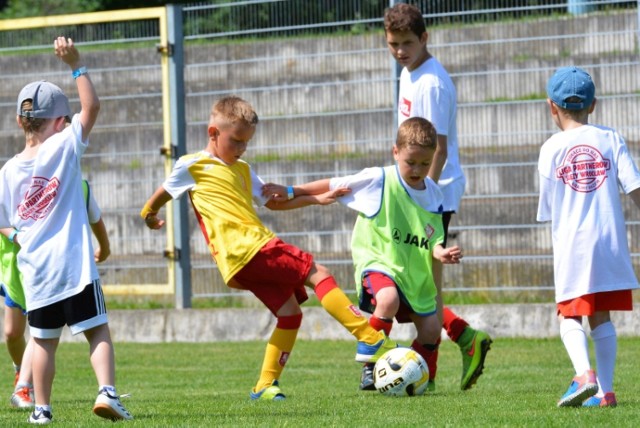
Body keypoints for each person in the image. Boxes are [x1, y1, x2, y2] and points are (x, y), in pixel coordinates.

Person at [141, 95, 397, 401]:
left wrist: (318, 198)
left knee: (290, 314)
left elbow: (274, 203)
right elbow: (162, 193)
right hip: (251, 247)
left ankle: (264, 385)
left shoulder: (244, 169)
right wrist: (149, 214)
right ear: (213, 133)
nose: (241, 149)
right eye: (235, 141)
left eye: (246, 143)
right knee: (318, 272)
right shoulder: (193, 164)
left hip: (241, 261)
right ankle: (368, 336)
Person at [262, 117, 462, 388]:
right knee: (387, 299)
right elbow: (333, 183)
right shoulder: (379, 179)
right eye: (410, 162)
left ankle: (412, 375)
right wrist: (290, 190)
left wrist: (439, 253)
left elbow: (433, 234)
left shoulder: (434, 194)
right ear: (395, 152)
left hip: (414, 272)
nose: (417, 170)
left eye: (425, 164)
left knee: (430, 329)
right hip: (378, 261)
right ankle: (372, 365)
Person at [0, 37, 132, 424]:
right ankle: (107, 392)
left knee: (43, 342)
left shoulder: (7, 171)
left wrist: (19, 238)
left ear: (21, 120)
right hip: (73, 268)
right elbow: (92, 107)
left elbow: (4, 221)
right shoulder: (64, 148)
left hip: (36, 271)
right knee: (97, 330)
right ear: (60, 122)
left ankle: (41, 409)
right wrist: (77, 65)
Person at [381, 2, 492, 391]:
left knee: (422, 286)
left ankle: (432, 367)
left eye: (407, 43)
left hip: (433, 193)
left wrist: (417, 196)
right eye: (393, 43)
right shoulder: (409, 74)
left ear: (424, 38)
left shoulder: (431, 82)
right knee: (417, 285)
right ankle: (462, 339)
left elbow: (438, 149)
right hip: (420, 191)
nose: (399, 51)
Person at [537, 66, 640, 408]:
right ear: (593, 105)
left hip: (573, 246)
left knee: (570, 315)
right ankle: (605, 392)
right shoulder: (610, 138)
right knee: (601, 317)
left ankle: (583, 375)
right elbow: (635, 188)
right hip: (610, 243)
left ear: (552, 106)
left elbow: (548, 208)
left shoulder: (551, 148)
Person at [1, 180, 111, 410]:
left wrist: (105, 247)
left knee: (45, 337)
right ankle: (26, 382)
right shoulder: (16, 177)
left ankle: (29, 391)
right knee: (14, 333)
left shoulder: (77, 185)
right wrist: (17, 237)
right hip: (16, 268)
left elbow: (95, 220)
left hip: (54, 273)